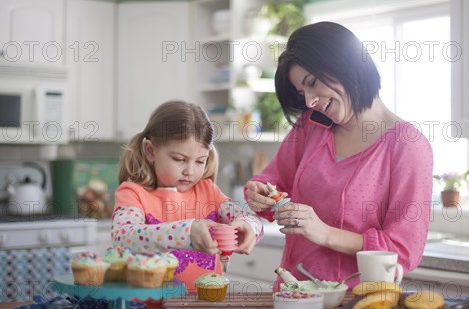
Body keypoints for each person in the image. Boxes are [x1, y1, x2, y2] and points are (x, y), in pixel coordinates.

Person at [244, 22, 433, 289]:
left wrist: (325, 234)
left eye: (312, 83)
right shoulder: (311, 125)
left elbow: (404, 250)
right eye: (302, 93)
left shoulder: (407, 146)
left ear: (346, 64)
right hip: (292, 294)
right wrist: (259, 192)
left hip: (358, 304)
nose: (309, 101)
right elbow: (274, 183)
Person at [113, 100, 263, 291]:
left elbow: (248, 218)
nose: (190, 171)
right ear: (151, 151)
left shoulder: (208, 191)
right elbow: (124, 237)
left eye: (200, 161)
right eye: (179, 159)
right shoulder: (133, 193)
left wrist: (250, 227)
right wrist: (186, 232)